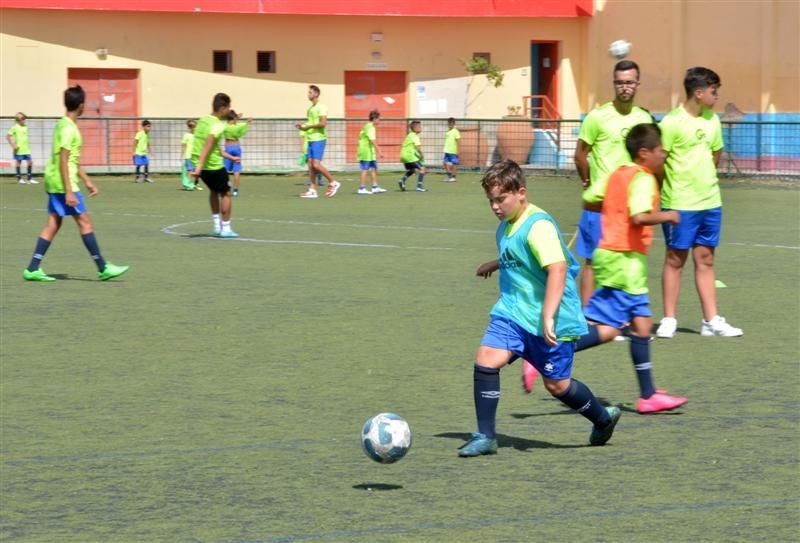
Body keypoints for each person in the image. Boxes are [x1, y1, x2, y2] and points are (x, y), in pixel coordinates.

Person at [458, 159, 620, 457]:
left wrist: (548, 315)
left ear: (521, 192)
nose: (495, 206)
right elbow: (520, 256)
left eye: (501, 199)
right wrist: (494, 264)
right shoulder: (508, 225)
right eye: (490, 200)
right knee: (486, 359)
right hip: (513, 312)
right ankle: (486, 436)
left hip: (551, 318)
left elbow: (557, 268)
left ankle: (602, 418)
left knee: (557, 386)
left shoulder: (538, 226)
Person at [575, 123, 688, 414]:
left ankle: (648, 394)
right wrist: (668, 215)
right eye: (660, 149)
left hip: (612, 255)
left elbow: (592, 198)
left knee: (637, 325)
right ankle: (545, 354)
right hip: (624, 260)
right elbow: (639, 217)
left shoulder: (619, 173)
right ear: (644, 153)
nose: (664, 153)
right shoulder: (643, 178)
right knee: (611, 329)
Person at [656, 67, 742, 339]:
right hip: (679, 203)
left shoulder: (712, 121)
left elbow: (715, 155)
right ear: (699, 92)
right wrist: (669, 191)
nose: (717, 96)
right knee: (675, 259)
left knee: (705, 259)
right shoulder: (670, 123)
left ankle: (710, 320)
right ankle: (669, 318)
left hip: (710, 202)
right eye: (714, 91)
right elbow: (660, 163)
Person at [22, 85, 129, 282]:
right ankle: (103, 267)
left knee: (53, 223)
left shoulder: (63, 124)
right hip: (63, 184)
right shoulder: (69, 129)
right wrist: (70, 191)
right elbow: (64, 159)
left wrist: (87, 181)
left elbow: (71, 159)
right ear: (81, 105)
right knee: (85, 222)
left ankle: (32, 268)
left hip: (55, 181)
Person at [574, 60, 654, 303]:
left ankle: (620, 318)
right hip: (602, 205)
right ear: (614, 84)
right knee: (593, 260)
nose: (624, 87)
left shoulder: (644, 118)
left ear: (638, 84)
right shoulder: (597, 117)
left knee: (628, 260)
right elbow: (580, 154)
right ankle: (587, 320)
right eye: (619, 83)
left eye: (629, 82)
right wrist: (587, 179)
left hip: (631, 206)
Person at [191, 92, 239, 238]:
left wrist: (198, 164)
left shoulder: (203, 120)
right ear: (223, 108)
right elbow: (208, 143)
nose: (229, 110)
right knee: (226, 193)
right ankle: (226, 228)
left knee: (213, 191)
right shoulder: (218, 125)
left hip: (200, 163)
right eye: (228, 107)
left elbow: (203, 141)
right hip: (212, 165)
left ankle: (217, 226)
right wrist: (200, 165)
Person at [296, 85, 340, 198]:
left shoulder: (322, 107)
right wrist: (302, 126)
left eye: (310, 92)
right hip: (311, 139)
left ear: (316, 94)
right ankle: (312, 190)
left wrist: (308, 127)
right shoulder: (310, 109)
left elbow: (323, 123)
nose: (308, 94)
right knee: (310, 165)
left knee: (316, 164)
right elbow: (311, 123)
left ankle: (333, 182)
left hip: (319, 139)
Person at [356, 110, 387, 195]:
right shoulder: (370, 127)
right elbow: (372, 140)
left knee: (374, 168)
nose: (379, 121)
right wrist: (379, 151)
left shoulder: (368, 126)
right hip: (366, 151)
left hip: (370, 151)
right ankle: (361, 188)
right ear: (374, 119)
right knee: (365, 169)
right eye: (379, 119)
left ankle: (375, 187)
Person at [223, 110, 252, 197]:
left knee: (225, 170)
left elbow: (231, 121)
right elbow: (243, 125)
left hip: (228, 148)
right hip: (237, 147)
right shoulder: (237, 126)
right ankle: (235, 190)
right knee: (236, 170)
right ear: (234, 119)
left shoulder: (225, 126)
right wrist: (247, 121)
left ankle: (227, 184)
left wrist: (237, 117)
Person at [7, 112, 36, 185]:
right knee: (18, 163)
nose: (24, 120)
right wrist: (13, 145)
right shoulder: (15, 127)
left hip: (26, 149)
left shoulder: (26, 127)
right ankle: (19, 179)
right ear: (18, 120)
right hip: (19, 150)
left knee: (30, 162)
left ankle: (29, 179)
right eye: (22, 118)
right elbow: (8, 136)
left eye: (24, 118)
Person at [399, 120, 427, 192]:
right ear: (415, 128)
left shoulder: (409, 135)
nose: (421, 128)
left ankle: (402, 180)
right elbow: (418, 148)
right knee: (422, 169)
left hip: (403, 156)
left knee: (412, 170)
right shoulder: (415, 136)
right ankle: (419, 187)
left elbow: (405, 145)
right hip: (409, 156)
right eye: (420, 127)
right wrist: (421, 155)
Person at [180, 119, 199, 191]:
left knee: (197, 171)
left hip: (195, 156)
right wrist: (181, 155)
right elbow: (183, 145)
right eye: (191, 126)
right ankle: (189, 185)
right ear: (189, 127)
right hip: (188, 156)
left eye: (194, 126)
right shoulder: (186, 135)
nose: (193, 128)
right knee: (190, 170)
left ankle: (194, 183)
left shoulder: (197, 136)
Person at [442, 117, 460, 182]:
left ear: (454, 124)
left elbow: (458, 141)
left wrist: (457, 150)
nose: (450, 125)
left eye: (451, 123)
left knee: (454, 164)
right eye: (449, 123)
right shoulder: (447, 131)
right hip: (447, 150)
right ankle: (449, 177)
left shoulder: (456, 131)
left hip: (453, 151)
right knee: (445, 163)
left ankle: (454, 177)